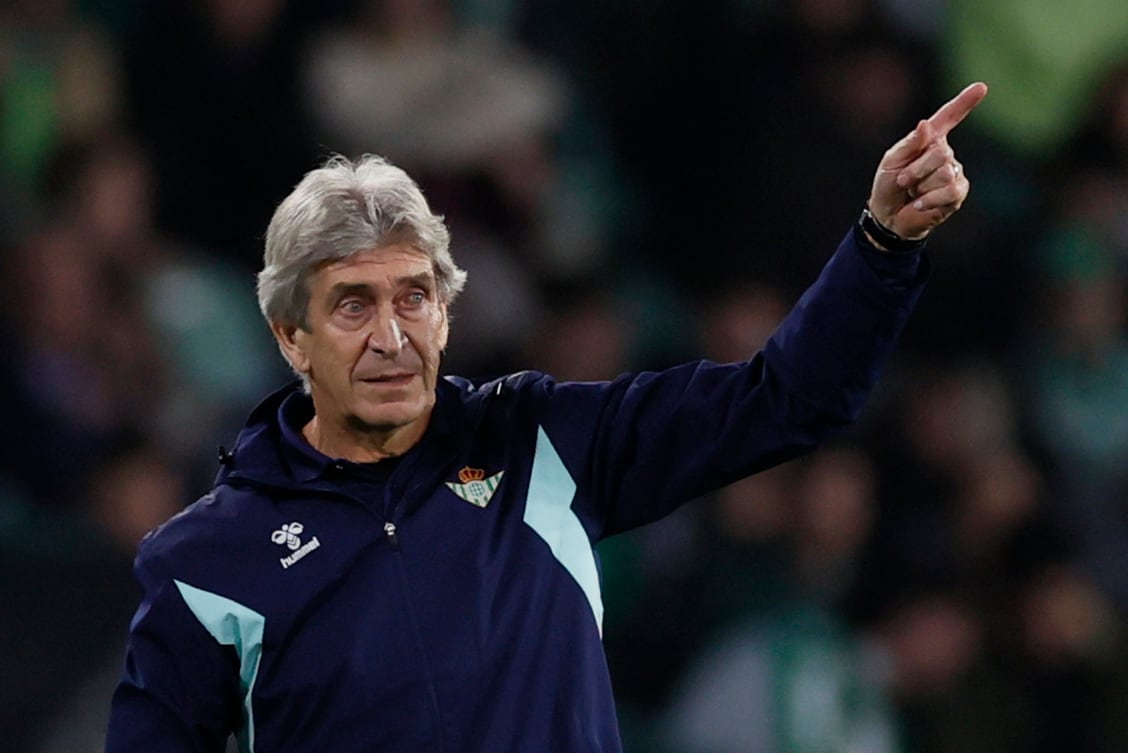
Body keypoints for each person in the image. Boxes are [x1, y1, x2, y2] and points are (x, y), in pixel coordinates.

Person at [104, 82, 988, 752]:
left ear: (447, 315)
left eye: (414, 298)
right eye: (351, 306)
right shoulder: (203, 566)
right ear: (289, 336)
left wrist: (882, 242)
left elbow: (786, 399)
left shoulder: (539, 443)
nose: (391, 337)